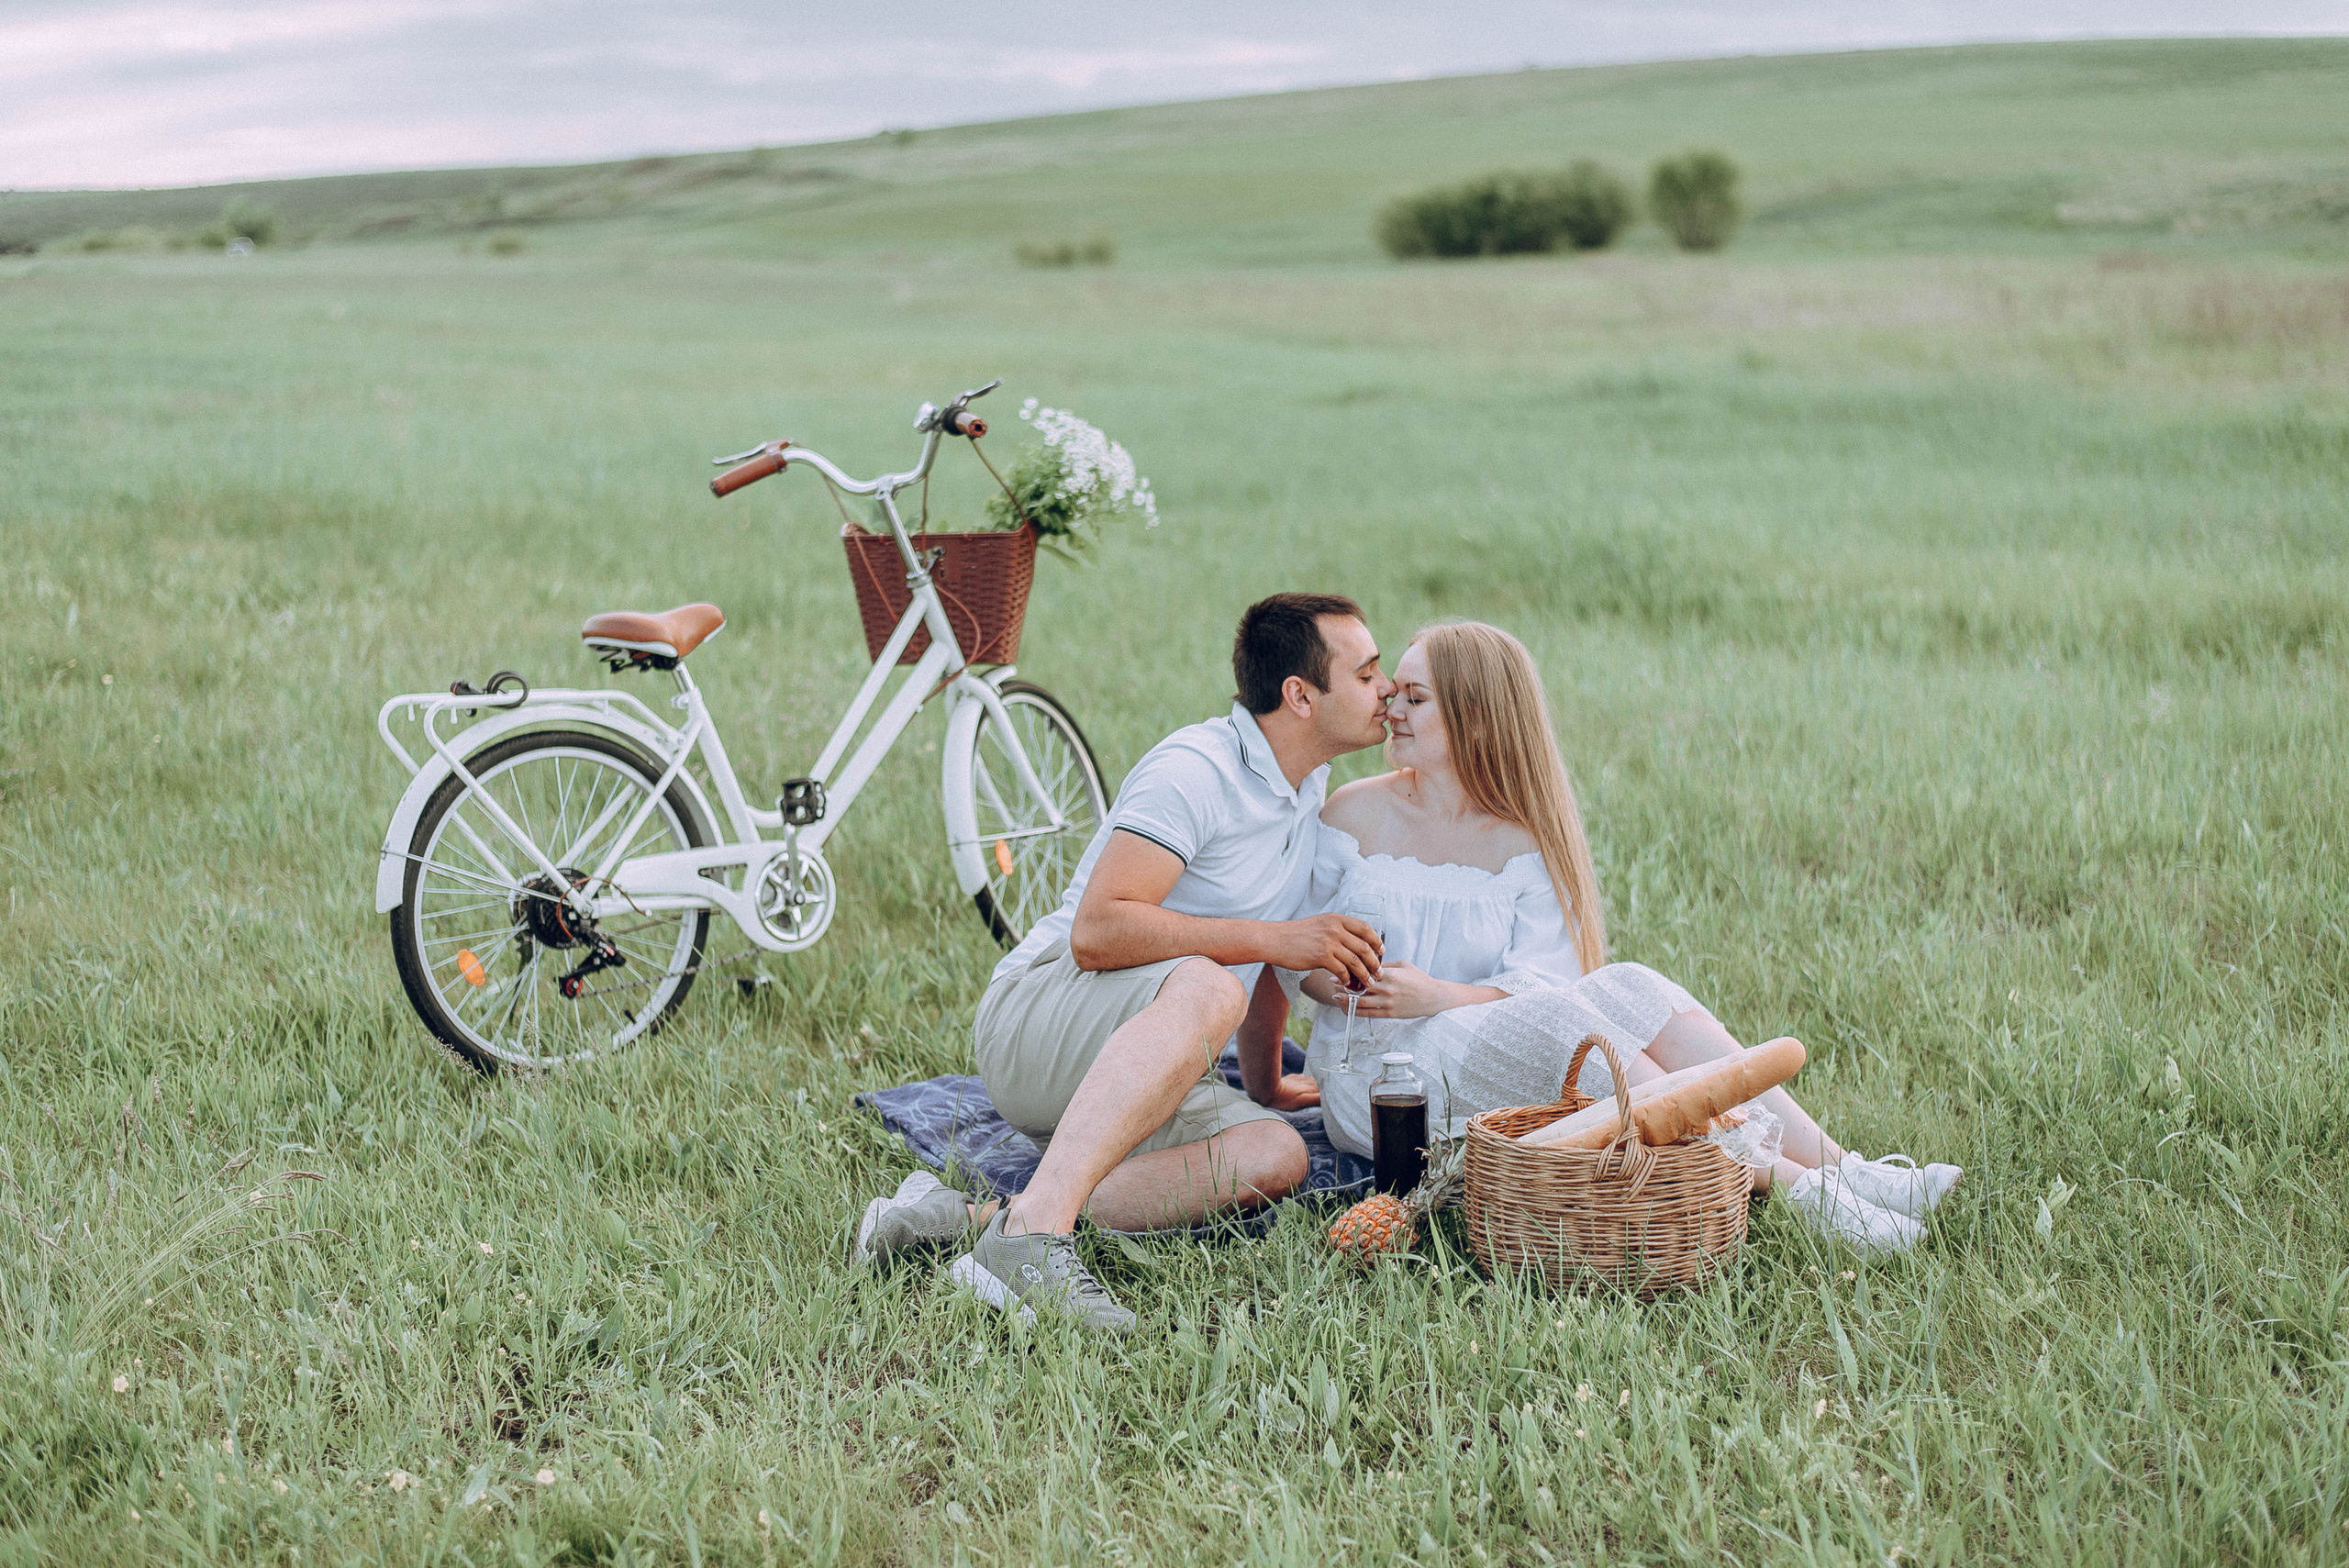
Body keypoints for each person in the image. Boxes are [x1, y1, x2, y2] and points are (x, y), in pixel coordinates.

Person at [1301, 620, 1960, 1255]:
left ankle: (1847, 1169)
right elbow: (1297, 959)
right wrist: (1348, 980)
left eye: (1416, 698)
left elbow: (1538, 982)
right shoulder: (1352, 812)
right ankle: (1801, 1189)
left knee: (1635, 985)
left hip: (1483, 1038)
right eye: (1398, 692)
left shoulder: (1520, 839)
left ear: (1476, 715)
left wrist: (1437, 994)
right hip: (1382, 1082)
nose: (1393, 706)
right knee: (1560, 1023)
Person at [852, 593, 1392, 1330]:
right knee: (1207, 984)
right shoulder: (1195, 770)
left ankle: (966, 1216)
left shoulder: (1306, 787)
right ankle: (1032, 1242)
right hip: (1036, 1018)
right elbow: (1098, 931)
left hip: (1134, 1057)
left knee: (1275, 1152)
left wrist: (1267, 1082)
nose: (1386, 687)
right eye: (1367, 674)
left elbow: (1263, 957)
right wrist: (1276, 940)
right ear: (1300, 695)